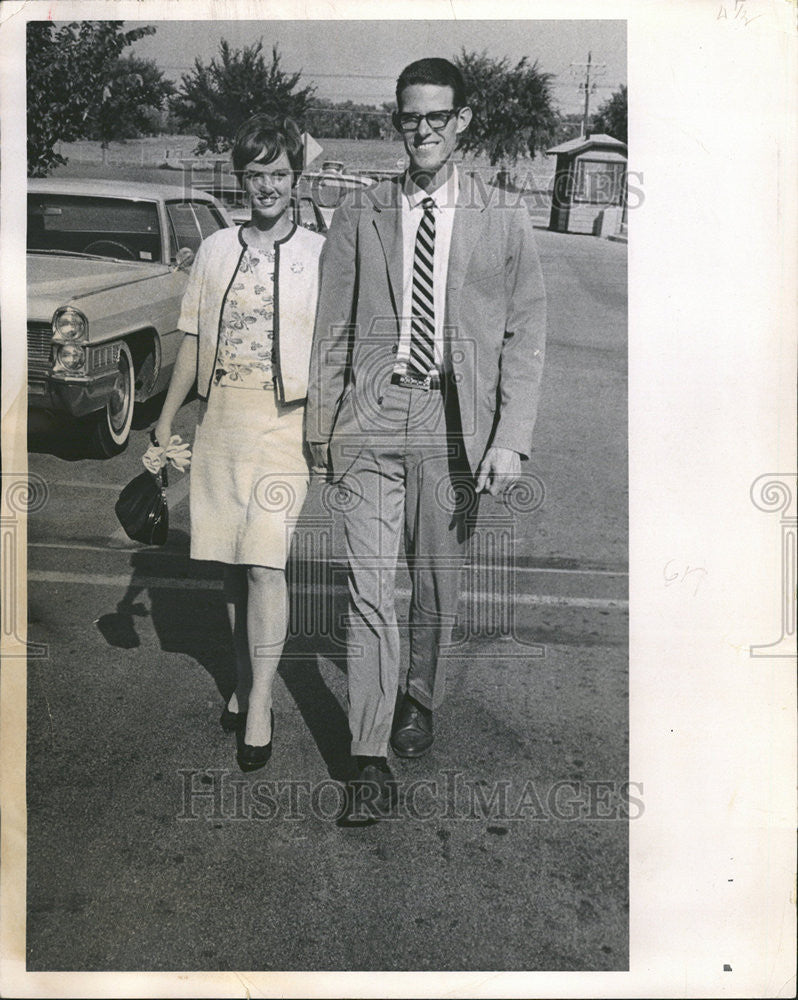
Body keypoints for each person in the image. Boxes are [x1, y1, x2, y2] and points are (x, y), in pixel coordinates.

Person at [306, 58, 546, 815]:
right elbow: (332, 327)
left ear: (463, 121)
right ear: (397, 120)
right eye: (411, 117)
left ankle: (420, 693)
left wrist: (509, 436)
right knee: (369, 590)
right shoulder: (362, 212)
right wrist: (323, 431)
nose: (424, 130)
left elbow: (524, 329)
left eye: (438, 116)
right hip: (372, 422)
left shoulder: (502, 215)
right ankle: (368, 754)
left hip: (454, 424)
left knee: (436, 587)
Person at [154, 115, 324, 772]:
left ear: (294, 178)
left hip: (285, 424)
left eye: (279, 173)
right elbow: (194, 337)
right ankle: (241, 678)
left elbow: (333, 343)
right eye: (256, 174)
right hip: (222, 416)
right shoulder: (219, 248)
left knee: (264, 562)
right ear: (241, 178)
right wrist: (168, 415)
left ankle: (259, 704)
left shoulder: (319, 249)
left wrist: (327, 430)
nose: (268, 187)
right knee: (229, 560)